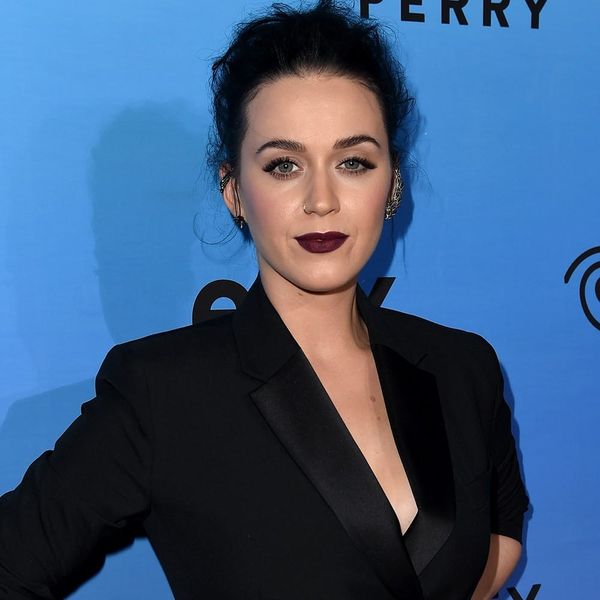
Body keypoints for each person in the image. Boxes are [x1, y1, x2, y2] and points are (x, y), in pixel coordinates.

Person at [0, 1, 529, 598]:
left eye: (353, 162)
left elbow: (502, 530)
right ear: (234, 191)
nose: (322, 199)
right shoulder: (161, 391)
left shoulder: (463, 367)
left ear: (392, 183)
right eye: (284, 165)